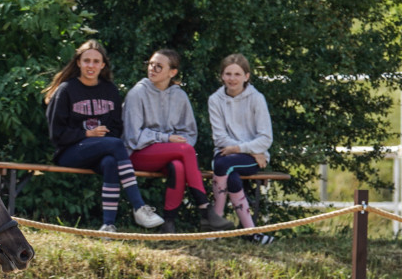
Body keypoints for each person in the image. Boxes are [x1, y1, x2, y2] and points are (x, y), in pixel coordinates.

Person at [44, 39, 164, 232]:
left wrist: (102, 139)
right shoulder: (66, 90)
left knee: (110, 161)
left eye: (95, 61)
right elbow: (56, 134)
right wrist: (87, 134)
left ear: (103, 65)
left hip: (100, 152)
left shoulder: (109, 90)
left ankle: (108, 225)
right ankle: (139, 206)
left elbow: (117, 127)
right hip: (69, 153)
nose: (91, 65)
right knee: (116, 145)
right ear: (78, 63)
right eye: (86, 61)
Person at [123, 49, 235, 234]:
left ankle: (168, 224)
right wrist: (167, 139)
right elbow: (132, 137)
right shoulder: (137, 93)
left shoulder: (179, 96)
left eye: (159, 66)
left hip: (169, 154)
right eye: (150, 64)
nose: (152, 69)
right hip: (137, 153)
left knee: (179, 166)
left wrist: (175, 146)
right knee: (186, 151)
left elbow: (189, 132)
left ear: (172, 72)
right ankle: (205, 210)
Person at [208, 53, 275, 245]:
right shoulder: (215, 100)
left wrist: (240, 149)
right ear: (222, 76)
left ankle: (216, 221)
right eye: (228, 74)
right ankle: (251, 233)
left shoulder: (257, 99)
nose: (232, 78)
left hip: (252, 157)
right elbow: (219, 137)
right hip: (229, 153)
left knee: (223, 165)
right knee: (231, 176)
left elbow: (265, 138)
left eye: (237, 74)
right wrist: (250, 149)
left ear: (246, 76)